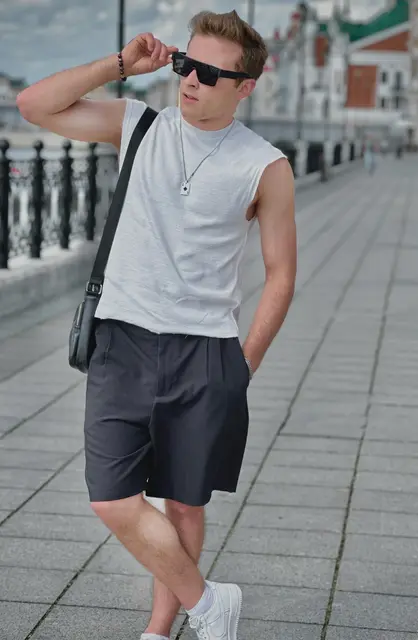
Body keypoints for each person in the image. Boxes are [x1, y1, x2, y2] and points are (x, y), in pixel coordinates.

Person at [17, 9, 297, 640]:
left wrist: (243, 364)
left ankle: (159, 630)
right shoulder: (139, 124)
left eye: (209, 73)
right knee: (111, 499)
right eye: (186, 64)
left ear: (245, 87)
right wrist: (121, 64)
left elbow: (281, 273)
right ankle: (209, 604)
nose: (191, 80)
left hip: (206, 351)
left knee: (184, 503)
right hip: (122, 339)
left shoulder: (265, 165)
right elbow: (33, 106)